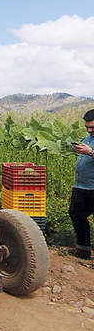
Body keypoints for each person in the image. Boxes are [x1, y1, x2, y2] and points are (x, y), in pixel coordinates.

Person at [69, 109, 94, 259]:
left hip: (93, 187)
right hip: (81, 186)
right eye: (87, 127)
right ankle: (83, 249)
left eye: (92, 127)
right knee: (76, 213)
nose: (89, 130)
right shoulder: (88, 137)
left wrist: (90, 152)